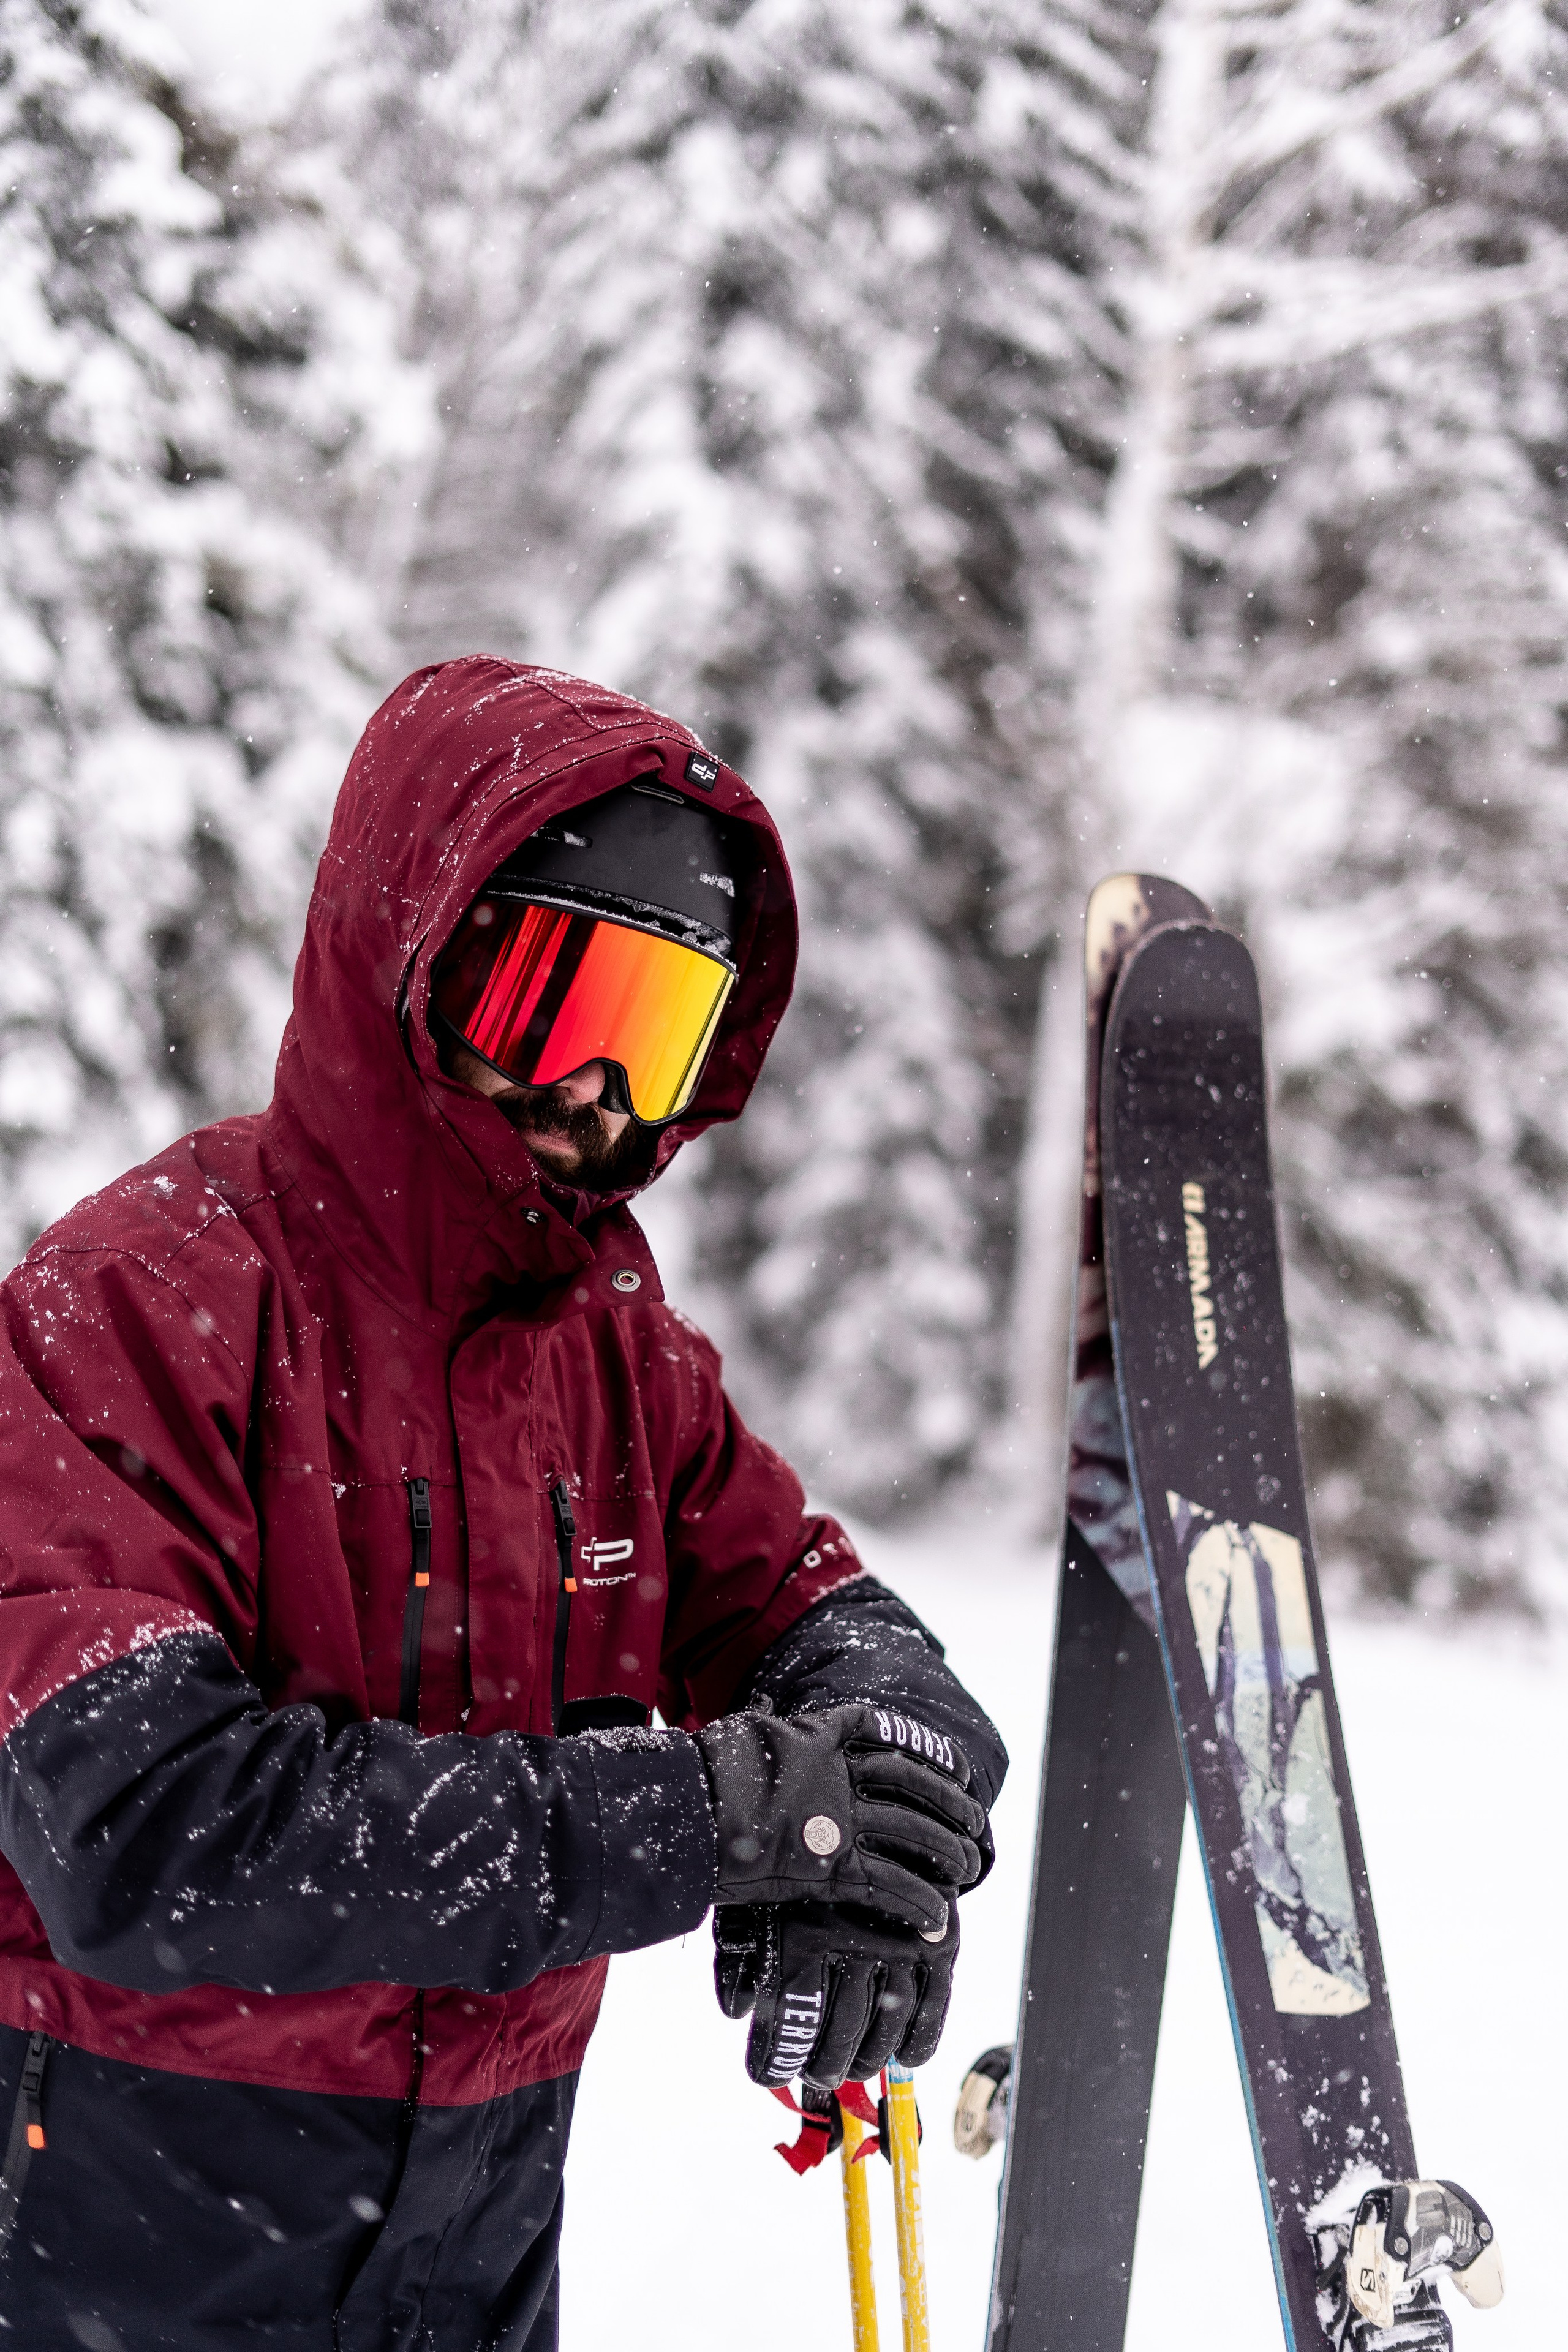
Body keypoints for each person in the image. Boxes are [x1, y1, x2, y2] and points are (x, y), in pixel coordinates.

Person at [0, 659, 1005, 2350]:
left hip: (475, 2244)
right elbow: (139, 1827)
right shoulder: (137, 1302)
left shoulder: (610, 1352)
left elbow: (828, 1628)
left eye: (660, 1034)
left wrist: (871, 1838)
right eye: (561, 1002)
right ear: (412, 951)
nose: (604, 1093)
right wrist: (702, 1816)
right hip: (132, 2222)